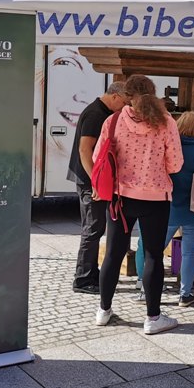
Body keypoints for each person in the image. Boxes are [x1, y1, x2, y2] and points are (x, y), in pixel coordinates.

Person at [93, 75, 183, 335]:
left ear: (127, 95)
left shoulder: (113, 121)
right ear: (153, 94)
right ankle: (153, 318)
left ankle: (103, 310)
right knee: (154, 255)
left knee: (113, 253)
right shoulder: (166, 122)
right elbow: (175, 165)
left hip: (121, 197)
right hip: (155, 198)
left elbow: (100, 156)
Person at [68, 80, 128, 294]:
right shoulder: (95, 114)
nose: (124, 108)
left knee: (95, 228)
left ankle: (91, 273)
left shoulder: (100, 111)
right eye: (123, 102)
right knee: (92, 229)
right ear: (114, 96)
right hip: (89, 181)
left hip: (91, 179)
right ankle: (83, 279)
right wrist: (95, 181)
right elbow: (85, 150)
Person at [156, 111, 194, 307]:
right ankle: (185, 294)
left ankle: (148, 288)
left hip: (169, 207)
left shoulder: (169, 147)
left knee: (155, 250)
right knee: (190, 252)